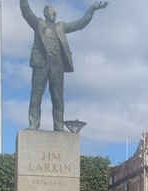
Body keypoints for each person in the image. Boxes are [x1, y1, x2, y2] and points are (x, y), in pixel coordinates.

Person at [20, 0, 109, 131]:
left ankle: (59, 125)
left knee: (58, 97)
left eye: (55, 12)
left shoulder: (61, 26)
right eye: (51, 11)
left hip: (57, 64)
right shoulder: (38, 23)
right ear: (45, 13)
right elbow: (26, 12)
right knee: (36, 95)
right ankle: (34, 123)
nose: (54, 14)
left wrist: (91, 10)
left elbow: (80, 24)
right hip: (41, 62)